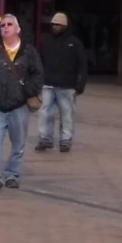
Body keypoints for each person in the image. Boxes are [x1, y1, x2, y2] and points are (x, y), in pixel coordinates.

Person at [0, 11, 43, 189]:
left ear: (18, 29)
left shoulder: (28, 51)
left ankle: (12, 175)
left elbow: (38, 73)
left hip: (18, 106)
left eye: (9, 24)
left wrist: (28, 90)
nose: (5, 27)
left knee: (18, 143)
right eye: (3, 25)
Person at [34, 11, 88, 153]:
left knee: (67, 114)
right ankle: (45, 139)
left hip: (67, 86)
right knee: (45, 113)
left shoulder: (75, 43)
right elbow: (39, 61)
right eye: (53, 25)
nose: (54, 27)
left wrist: (80, 83)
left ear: (64, 26)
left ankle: (65, 140)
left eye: (58, 25)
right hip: (48, 84)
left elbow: (82, 64)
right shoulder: (46, 41)